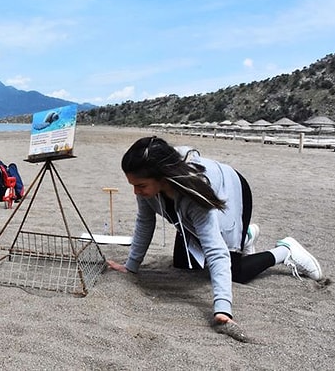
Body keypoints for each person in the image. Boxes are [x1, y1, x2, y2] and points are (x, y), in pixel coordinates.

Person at [107, 136, 323, 330]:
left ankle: (285, 251)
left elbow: (216, 251)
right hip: (191, 206)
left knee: (235, 272)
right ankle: (247, 235)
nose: (136, 191)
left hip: (230, 192)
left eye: (141, 185)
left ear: (163, 178)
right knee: (183, 263)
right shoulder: (147, 186)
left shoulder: (195, 195)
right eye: (133, 185)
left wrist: (222, 309)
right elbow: (145, 222)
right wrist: (131, 266)